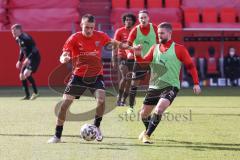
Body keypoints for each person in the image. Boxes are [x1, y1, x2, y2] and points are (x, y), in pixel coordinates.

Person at [47, 14, 135, 143]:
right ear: (81, 25)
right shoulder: (74, 38)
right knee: (64, 106)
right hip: (78, 76)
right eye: (87, 27)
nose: (89, 30)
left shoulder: (99, 35)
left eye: (91, 28)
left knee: (101, 100)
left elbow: (114, 43)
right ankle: (57, 135)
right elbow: (64, 53)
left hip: (96, 76)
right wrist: (63, 58)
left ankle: (97, 127)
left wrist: (131, 47)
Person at [134, 22, 201, 144]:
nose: (159, 36)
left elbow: (191, 66)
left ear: (170, 33)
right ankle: (147, 131)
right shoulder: (154, 48)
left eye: (162, 33)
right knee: (143, 114)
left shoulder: (179, 49)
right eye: (158, 33)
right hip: (154, 86)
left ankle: (147, 135)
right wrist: (137, 55)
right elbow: (143, 64)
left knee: (159, 109)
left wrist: (196, 83)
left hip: (171, 86)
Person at [126, 10, 158, 113]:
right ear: (139, 20)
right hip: (139, 61)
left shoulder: (155, 28)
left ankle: (159, 107)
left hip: (153, 60)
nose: (143, 19)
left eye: (144, 17)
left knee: (158, 84)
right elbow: (128, 45)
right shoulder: (135, 30)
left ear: (148, 18)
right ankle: (131, 107)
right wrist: (132, 50)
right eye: (141, 18)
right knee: (134, 84)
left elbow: (162, 41)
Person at [112, 13, 137, 106]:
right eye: (126, 20)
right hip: (121, 56)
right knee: (125, 76)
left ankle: (123, 100)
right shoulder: (119, 31)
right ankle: (119, 97)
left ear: (133, 21)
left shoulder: (136, 32)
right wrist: (113, 59)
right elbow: (114, 45)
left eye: (130, 20)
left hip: (133, 58)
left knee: (130, 79)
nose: (128, 21)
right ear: (124, 21)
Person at [11, 24, 41, 100]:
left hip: (34, 58)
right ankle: (27, 96)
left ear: (19, 30)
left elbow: (34, 50)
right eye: (12, 30)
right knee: (21, 76)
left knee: (26, 73)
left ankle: (36, 93)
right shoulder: (18, 38)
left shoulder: (26, 38)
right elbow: (22, 50)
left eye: (14, 30)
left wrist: (28, 58)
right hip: (28, 59)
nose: (12, 32)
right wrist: (19, 60)